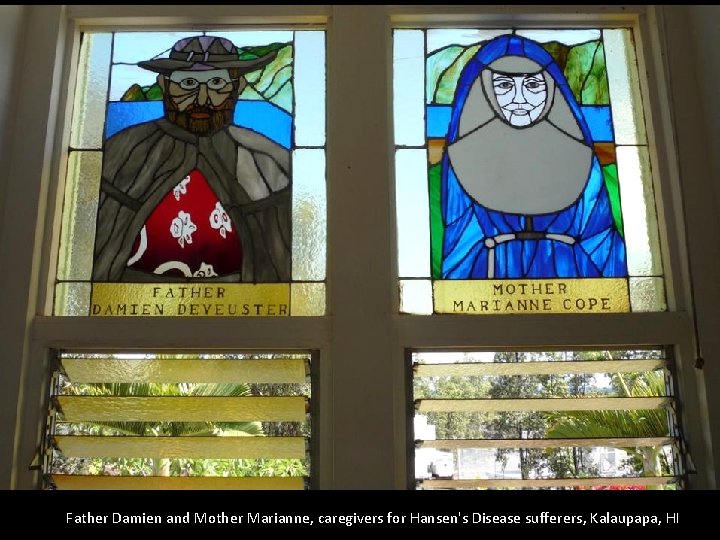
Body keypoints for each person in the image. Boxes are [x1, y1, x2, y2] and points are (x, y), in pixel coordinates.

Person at [92, 36, 291, 282]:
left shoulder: (267, 159)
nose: (202, 96)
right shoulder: (124, 150)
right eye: (187, 83)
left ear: (237, 88)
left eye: (217, 83)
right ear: (164, 85)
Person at [441, 34, 627, 279]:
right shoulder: (462, 155)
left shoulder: (579, 154)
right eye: (505, 86)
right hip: (491, 280)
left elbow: (600, 238)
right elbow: (459, 243)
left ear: (551, 88)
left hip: (573, 279)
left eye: (532, 85)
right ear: (485, 88)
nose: (520, 99)